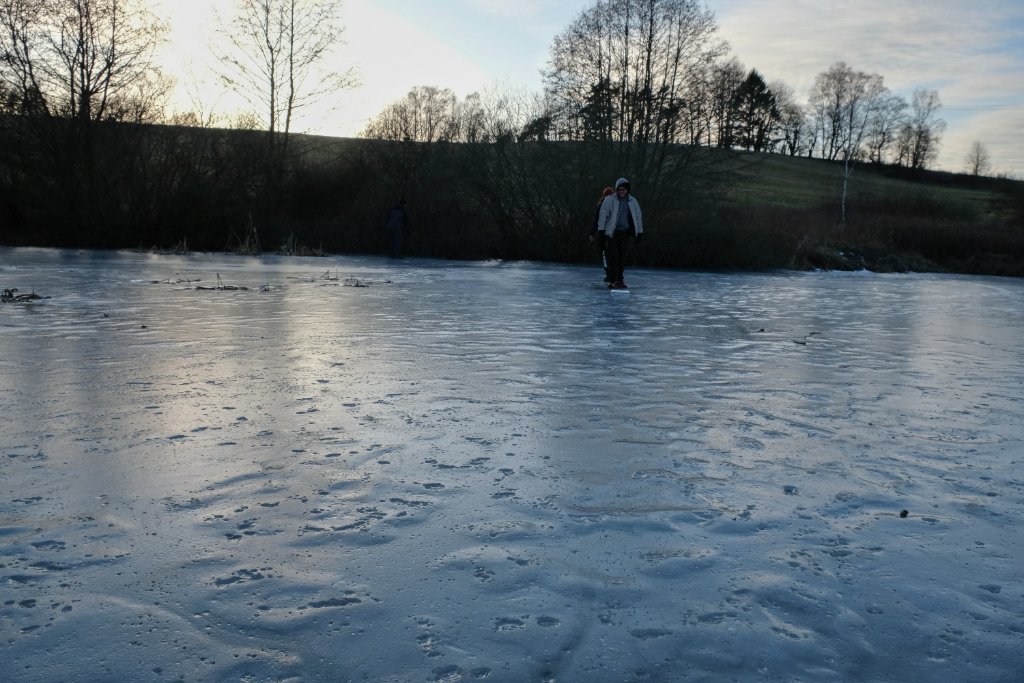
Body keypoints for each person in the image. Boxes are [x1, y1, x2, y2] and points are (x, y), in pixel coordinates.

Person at [597, 177, 643, 289]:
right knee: (613, 257)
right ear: (616, 189)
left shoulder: (633, 201)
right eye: (620, 189)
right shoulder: (609, 200)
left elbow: (638, 217)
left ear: (627, 190)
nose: (622, 192)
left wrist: (639, 232)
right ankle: (612, 280)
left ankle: (620, 280)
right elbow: (603, 215)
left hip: (625, 233)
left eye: (624, 189)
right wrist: (601, 231)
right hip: (612, 233)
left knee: (622, 257)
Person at [589, 186, 614, 282]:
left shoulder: (601, 205)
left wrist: (592, 234)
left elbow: (596, 221)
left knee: (604, 254)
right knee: (610, 254)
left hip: (603, 233)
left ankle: (609, 274)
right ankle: (611, 274)